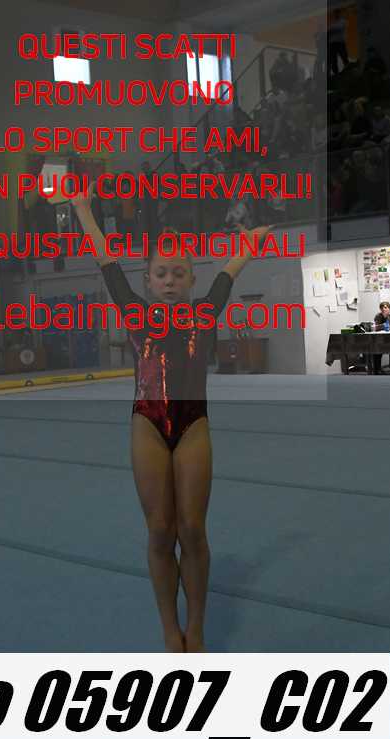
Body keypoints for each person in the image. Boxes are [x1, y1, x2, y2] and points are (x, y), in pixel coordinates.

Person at [72, 183, 271, 652]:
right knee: (160, 530)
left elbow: (227, 274)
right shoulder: (134, 310)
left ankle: (195, 627)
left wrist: (248, 247)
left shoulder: (205, 313)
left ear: (190, 280)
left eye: (178, 273)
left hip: (192, 424)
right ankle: (169, 627)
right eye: (160, 273)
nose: (169, 280)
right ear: (148, 281)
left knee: (193, 529)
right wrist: (82, 208)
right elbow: (106, 262)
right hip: (147, 420)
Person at [372, 301, 390, 374]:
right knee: (376, 350)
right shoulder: (378, 316)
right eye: (382, 308)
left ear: (389, 308)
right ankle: (377, 370)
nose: (384, 309)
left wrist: (388, 317)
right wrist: (384, 325)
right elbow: (375, 328)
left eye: (385, 307)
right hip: (380, 339)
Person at [328, 9, 349, 76]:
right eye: (335, 13)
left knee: (344, 58)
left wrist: (331, 30)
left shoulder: (343, 21)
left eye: (337, 13)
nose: (336, 15)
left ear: (340, 14)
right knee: (333, 60)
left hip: (340, 42)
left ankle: (348, 71)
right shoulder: (333, 23)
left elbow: (338, 28)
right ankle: (336, 74)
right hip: (333, 43)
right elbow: (329, 31)